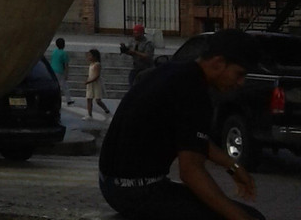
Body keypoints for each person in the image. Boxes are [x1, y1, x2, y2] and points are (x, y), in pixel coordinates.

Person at [99, 28, 266, 220]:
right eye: (239, 74)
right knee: (250, 216)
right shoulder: (194, 93)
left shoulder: (174, 71)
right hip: (138, 191)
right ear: (218, 63)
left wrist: (233, 167)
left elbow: (194, 140)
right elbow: (191, 172)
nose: (241, 83)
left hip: (112, 184)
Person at [85, 48, 111, 119]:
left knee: (98, 100)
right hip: (90, 84)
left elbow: (97, 76)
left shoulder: (97, 65)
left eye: (90, 55)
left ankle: (106, 109)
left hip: (96, 84)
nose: (89, 57)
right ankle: (89, 114)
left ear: (95, 57)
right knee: (89, 98)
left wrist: (89, 81)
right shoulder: (91, 64)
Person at [50, 37, 74, 105]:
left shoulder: (54, 52)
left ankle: (53, 99)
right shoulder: (64, 53)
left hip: (53, 70)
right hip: (60, 71)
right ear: (64, 44)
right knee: (64, 86)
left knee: (56, 85)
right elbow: (66, 65)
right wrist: (66, 74)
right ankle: (68, 100)